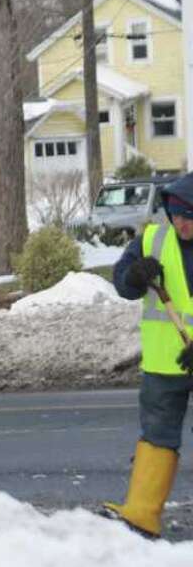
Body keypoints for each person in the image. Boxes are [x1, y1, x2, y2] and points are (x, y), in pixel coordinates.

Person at [101, 173, 193, 537]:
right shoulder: (152, 241)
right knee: (157, 435)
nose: (182, 223)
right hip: (162, 367)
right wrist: (136, 276)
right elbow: (123, 282)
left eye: (190, 215)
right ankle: (141, 515)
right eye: (177, 214)